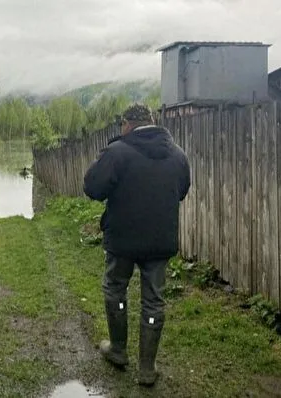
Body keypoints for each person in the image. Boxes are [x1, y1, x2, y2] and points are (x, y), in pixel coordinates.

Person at [83, 104, 191, 386]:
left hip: (122, 240)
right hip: (159, 241)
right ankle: (146, 367)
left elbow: (92, 188)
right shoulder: (178, 155)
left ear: (127, 124)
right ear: (152, 122)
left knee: (115, 289)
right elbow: (181, 191)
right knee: (153, 301)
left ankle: (118, 350)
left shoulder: (117, 152)